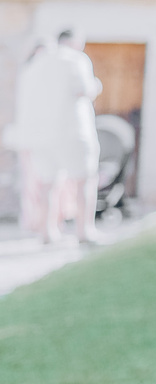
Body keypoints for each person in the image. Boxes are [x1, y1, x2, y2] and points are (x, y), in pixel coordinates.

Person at [13, 31, 103, 246]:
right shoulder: (75, 59)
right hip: (73, 132)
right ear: (74, 41)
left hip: (41, 136)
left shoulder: (34, 65)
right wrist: (97, 85)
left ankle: (48, 231)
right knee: (85, 181)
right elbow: (85, 90)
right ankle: (84, 230)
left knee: (47, 185)